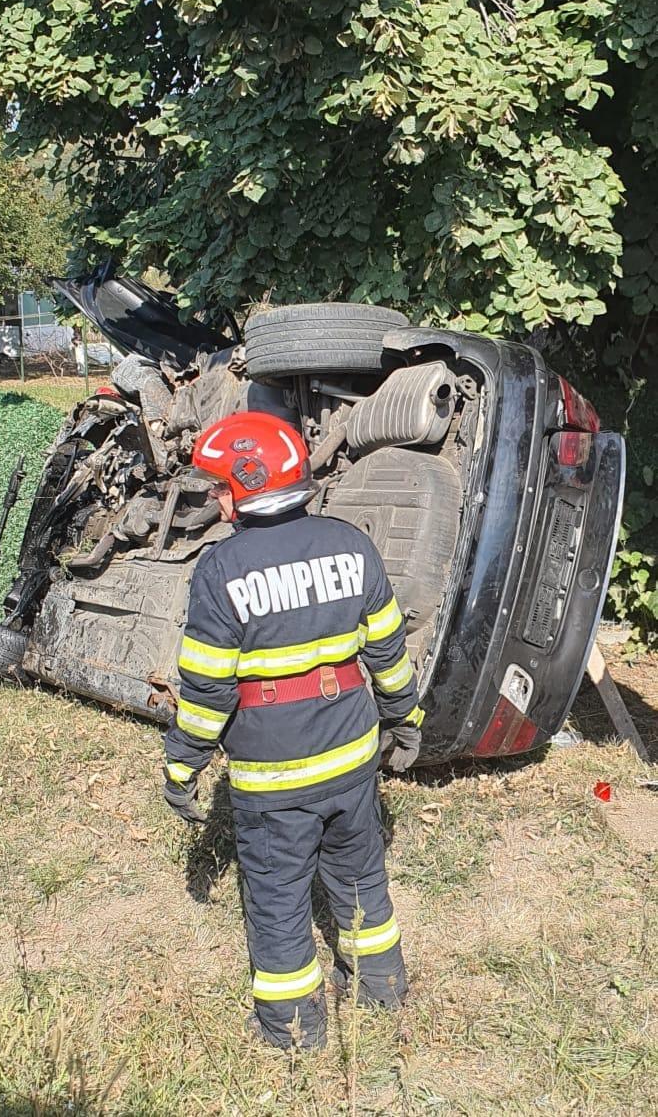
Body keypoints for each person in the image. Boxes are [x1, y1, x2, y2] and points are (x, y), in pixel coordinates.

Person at [163, 410, 423, 1051]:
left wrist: (183, 763)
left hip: (273, 773)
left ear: (247, 484)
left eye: (220, 486)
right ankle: (381, 986)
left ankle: (293, 1027)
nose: (216, 500)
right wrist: (406, 718)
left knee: (278, 895)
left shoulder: (222, 571)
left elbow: (207, 688)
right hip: (353, 756)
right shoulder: (352, 545)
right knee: (361, 873)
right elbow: (389, 652)